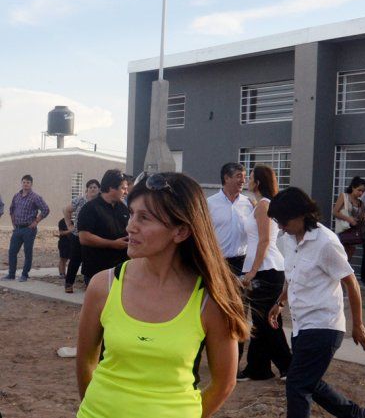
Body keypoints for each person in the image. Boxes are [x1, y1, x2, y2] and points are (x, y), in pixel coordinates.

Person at [76, 172, 249, 418]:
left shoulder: (210, 299)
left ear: (180, 232)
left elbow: (224, 383)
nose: (130, 226)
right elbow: (85, 362)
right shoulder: (103, 285)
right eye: (132, 213)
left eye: (144, 218)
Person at [266, 187, 365, 418]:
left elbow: (351, 283)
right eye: (278, 222)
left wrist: (358, 324)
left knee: (297, 384)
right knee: (309, 381)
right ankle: (358, 415)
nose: (281, 227)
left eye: (283, 221)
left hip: (324, 325)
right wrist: (280, 302)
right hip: (301, 325)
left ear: (301, 214)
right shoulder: (289, 239)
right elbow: (293, 275)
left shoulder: (326, 242)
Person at [237, 165, 292, 382]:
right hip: (264, 268)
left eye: (250, 177)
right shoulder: (260, 205)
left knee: (267, 321)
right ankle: (258, 368)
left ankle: (289, 367)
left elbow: (265, 240)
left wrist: (252, 271)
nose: (247, 181)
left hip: (265, 269)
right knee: (260, 322)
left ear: (257, 182)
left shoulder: (264, 205)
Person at [206, 162, 252, 359]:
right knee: (215, 309)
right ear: (226, 178)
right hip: (218, 263)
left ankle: (235, 360)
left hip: (242, 263)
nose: (243, 181)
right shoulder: (210, 203)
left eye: (244, 177)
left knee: (240, 311)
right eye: (239, 176)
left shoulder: (249, 204)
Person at [77, 170, 130, 287]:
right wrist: (113, 244)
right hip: (97, 271)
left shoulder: (123, 208)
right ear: (111, 188)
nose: (126, 192)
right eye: (123, 188)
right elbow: (84, 238)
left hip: (120, 270)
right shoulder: (90, 208)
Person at [3, 175, 50, 282]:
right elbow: (11, 210)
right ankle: (11, 274)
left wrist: (36, 221)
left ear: (31, 184)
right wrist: (13, 223)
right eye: (24, 182)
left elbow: (46, 209)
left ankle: (25, 275)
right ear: (21, 183)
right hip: (17, 229)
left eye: (28, 182)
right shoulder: (16, 196)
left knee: (27, 252)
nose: (25, 184)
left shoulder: (35, 197)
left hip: (29, 229)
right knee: (12, 252)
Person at [64, 179, 101, 293]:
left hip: (93, 236)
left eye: (95, 187)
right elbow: (66, 210)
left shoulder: (101, 202)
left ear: (99, 189)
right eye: (90, 187)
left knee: (90, 261)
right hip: (78, 235)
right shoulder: (80, 200)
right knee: (75, 260)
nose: (93, 189)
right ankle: (69, 284)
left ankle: (89, 284)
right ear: (87, 189)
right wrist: (69, 225)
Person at [333, 176, 365, 262]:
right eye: (359, 190)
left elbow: (359, 221)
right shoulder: (344, 196)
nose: (361, 193)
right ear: (353, 187)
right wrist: (348, 219)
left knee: (348, 257)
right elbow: (335, 212)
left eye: (363, 191)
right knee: (340, 255)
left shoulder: (361, 203)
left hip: (352, 233)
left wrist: (364, 219)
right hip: (343, 230)